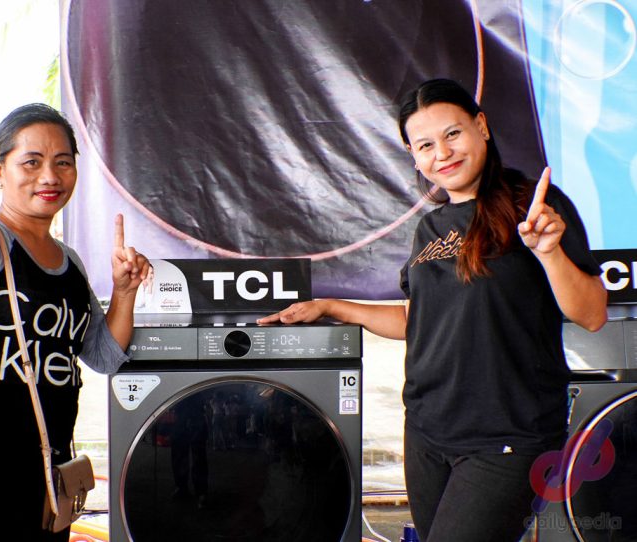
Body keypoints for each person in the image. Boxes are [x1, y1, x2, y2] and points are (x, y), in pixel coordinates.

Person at [258, 79, 608, 541]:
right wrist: (331, 306)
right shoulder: (429, 228)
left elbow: (592, 314)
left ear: (481, 126)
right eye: (425, 145)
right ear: (413, 155)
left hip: (508, 437)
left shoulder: (533, 206)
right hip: (427, 433)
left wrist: (549, 252)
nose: (442, 153)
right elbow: (418, 323)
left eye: (453, 134)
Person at [0, 103, 150, 542]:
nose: (50, 176)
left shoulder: (69, 262)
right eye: (31, 162)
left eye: (63, 162)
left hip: (48, 464)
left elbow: (104, 357)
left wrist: (124, 291)